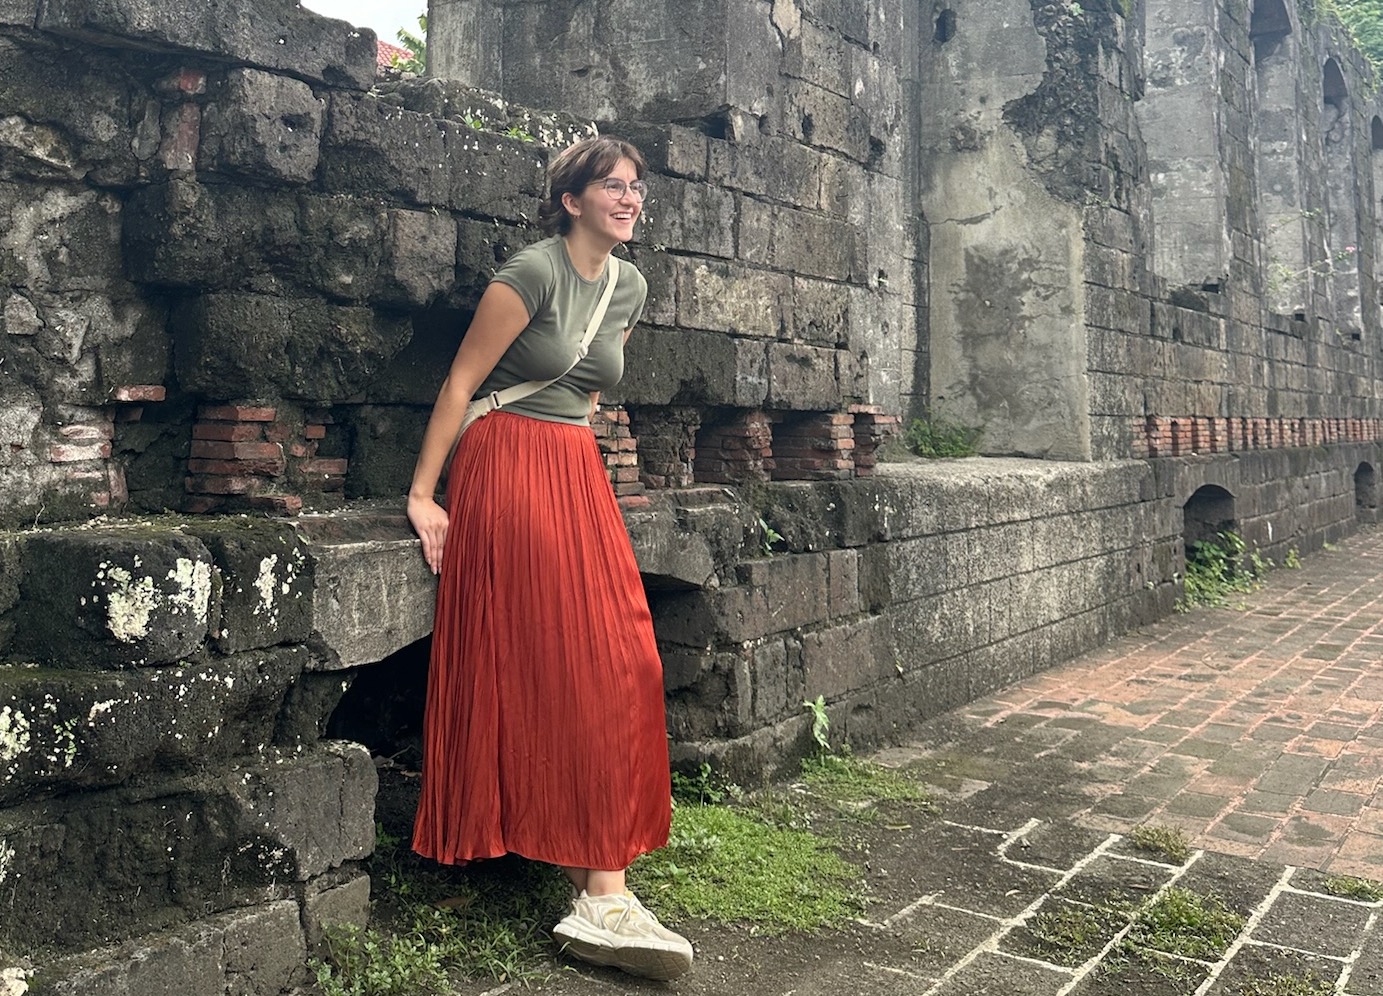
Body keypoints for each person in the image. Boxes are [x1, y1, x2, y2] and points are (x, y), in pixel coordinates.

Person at [405, 135, 693, 981]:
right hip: (504, 456)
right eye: (612, 186)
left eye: (636, 187)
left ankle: (600, 878)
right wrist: (424, 495)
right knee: (564, 658)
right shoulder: (529, 273)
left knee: (626, 658)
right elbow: (462, 384)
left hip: (573, 466)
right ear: (571, 201)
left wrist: (579, 466)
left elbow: (588, 392)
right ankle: (601, 893)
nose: (630, 199)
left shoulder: (629, 285)